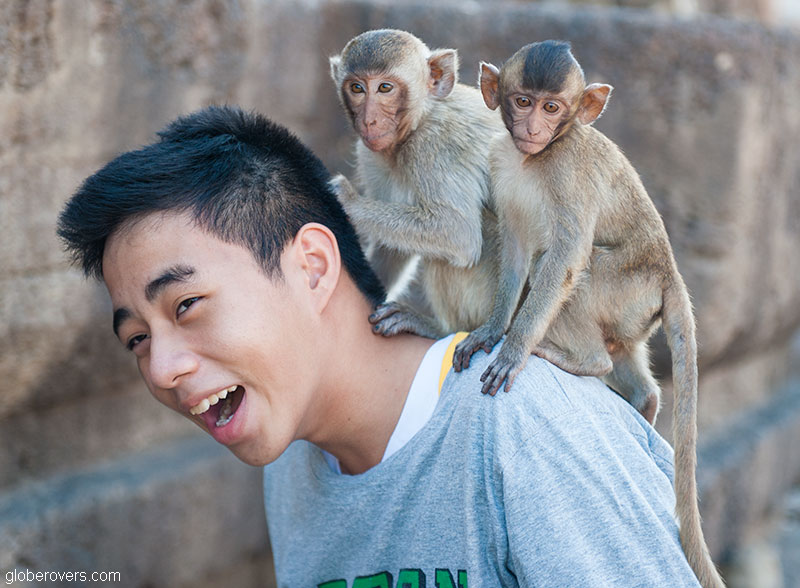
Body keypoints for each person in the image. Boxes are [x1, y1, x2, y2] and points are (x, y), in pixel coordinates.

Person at [58, 105, 702, 587]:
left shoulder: (519, 417)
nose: (163, 369)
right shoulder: (293, 456)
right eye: (137, 339)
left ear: (312, 266)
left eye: (187, 306)